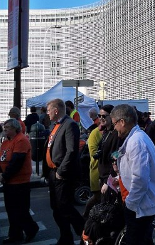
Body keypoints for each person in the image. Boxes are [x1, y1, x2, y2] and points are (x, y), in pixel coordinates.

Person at [110, 104, 155, 245]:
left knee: (136, 240)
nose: (114, 128)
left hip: (139, 203)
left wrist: (130, 203)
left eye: (115, 124)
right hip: (138, 202)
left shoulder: (136, 141)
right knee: (144, 240)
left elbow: (140, 178)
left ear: (122, 121)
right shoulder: (135, 137)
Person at [42, 99, 85, 245]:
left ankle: (84, 231)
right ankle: (65, 237)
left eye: (48, 110)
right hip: (53, 173)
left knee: (64, 206)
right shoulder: (56, 125)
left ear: (56, 110)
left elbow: (72, 151)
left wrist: (61, 171)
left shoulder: (70, 124)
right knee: (56, 208)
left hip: (62, 173)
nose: (47, 113)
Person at [0, 119, 39, 244]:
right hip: (9, 182)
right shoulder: (6, 141)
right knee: (11, 211)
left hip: (19, 182)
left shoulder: (21, 140)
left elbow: (16, 162)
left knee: (21, 210)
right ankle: (15, 235)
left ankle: (31, 229)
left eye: (7, 127)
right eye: (4, 127)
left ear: (15, 128)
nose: (4, 129)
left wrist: (4, 176)